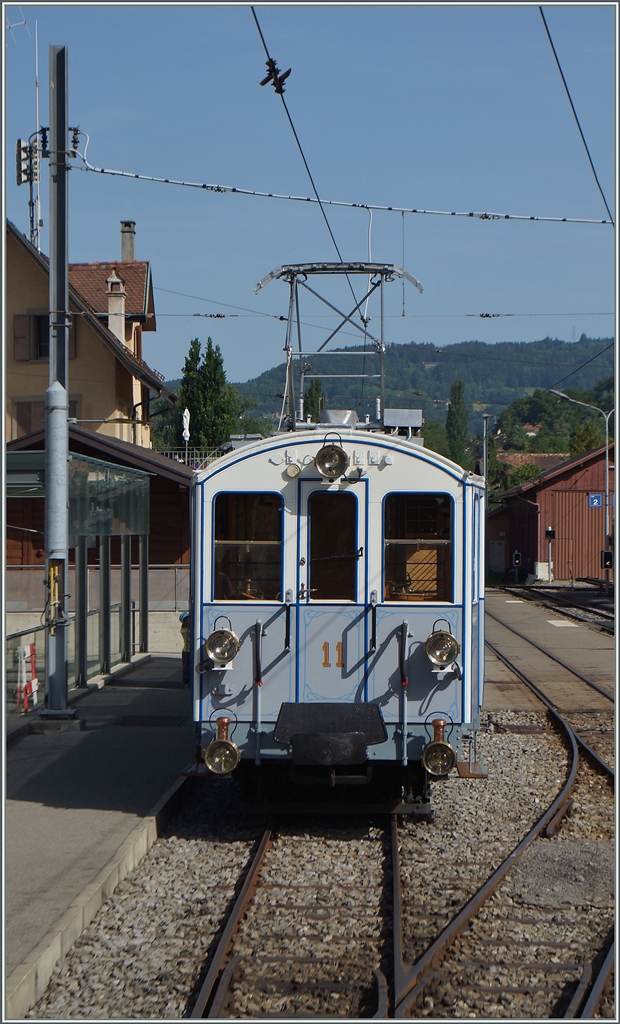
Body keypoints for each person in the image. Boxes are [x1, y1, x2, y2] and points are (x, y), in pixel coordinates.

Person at [179, 612, 190, 686]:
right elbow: (188, 639)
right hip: (187, 651)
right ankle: (186, 681)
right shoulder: (184, 630)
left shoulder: (192, 627)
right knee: (186, 666)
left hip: (190, 651)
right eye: (187, 619)